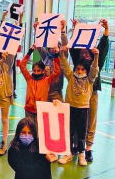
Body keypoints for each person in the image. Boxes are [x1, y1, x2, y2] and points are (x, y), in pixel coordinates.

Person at [69, 19, 110, 162]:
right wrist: (75, 29)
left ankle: (88, 148)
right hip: (77, 93)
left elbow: (103, 48)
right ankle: (75, 146)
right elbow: (72, 47)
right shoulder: (77, 54)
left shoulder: (95, 54)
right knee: (75, 120)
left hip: (91, 91)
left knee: (91, 119)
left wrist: (106, 31)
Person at [58, 46, 99, 166]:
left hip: (83, 109)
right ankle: (68, 153)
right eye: (78, 69)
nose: (79, 71)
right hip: (70, 107)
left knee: (81, 133)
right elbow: (65, 65)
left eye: (82, 70)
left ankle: (81, 154)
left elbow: (94, 69)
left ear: (86, 71)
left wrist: (96, 56)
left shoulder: (89, 80)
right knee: (69, 131)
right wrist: (62, 54)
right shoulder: (71, 77)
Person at [20, 44, 61, 121]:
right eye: (34, 70)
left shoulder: (47, 80)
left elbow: (57, 72)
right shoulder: (29, 78)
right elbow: (22, 65)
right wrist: (29, 53)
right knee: (30, 130)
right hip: (28, 109)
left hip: (41, 109)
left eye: (38, 71)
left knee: (38, 131)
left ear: (43, 71)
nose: (36, 72)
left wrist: (56, 56)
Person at [34, 20, 68, 102]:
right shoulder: (46, 56)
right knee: (44, 113)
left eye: (54, 47)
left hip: (56, 93)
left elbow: (65, 46)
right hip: (45, 90)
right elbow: (39, 46)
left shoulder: (62, 58)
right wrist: (37, 31)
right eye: (50, 47)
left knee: (57, 113)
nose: (52, 49)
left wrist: (63, 32)